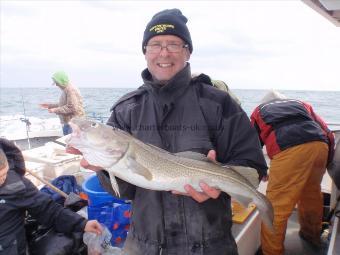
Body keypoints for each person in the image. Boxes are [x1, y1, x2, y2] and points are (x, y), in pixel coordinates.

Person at [69, 9, 267, 255]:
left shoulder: (219, 103)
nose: (164, 52)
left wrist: (221, 185)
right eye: (155, 45)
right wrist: (103, 168)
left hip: (211, 244)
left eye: (173, 44)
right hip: (145, 245)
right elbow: (126, 191)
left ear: (187, 51)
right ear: (145, 52)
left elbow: (252, 163)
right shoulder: (125, 110)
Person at [250, 90, 335, 255]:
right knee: (311, 194)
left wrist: (261, 170)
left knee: (275, 208)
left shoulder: (258, 111)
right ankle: (312, 237)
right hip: (320, 146)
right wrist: (328, 161)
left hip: (289, 150)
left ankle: (271, 252)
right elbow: (327, 132)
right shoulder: (301, 104)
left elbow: (252, 146)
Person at [0, 138, 102, 255]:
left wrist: (81, 224)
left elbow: (48, 210)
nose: (3, 179)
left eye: (4, 174)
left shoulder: (16, 185)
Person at [40, 71, 85, 135]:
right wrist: (50, 105)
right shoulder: (66, 89)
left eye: (57, 83)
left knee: (73, 144)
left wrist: (54, 110)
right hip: (68, 123)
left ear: (61, 81)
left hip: (74, 123)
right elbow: (64, 104)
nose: (56, 85)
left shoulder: (71, 90)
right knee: (67, 142)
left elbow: (72, 108)